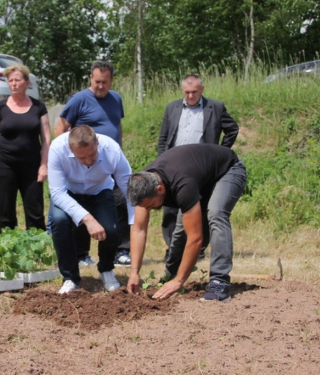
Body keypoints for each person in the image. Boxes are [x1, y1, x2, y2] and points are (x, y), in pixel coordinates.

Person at [126, 144, 246, 302]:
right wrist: (134, 272)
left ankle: (219, 282)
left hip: (227, 170)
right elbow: (139, 230)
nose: (148, 210)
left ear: (160, 189)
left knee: (216, 213)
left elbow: (196, 239)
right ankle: (171, 274)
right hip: (199, 176)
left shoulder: (182, 184)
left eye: (150, 205)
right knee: (181, 230)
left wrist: (180, 281)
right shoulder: (144, 185)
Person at [54, 61, 131, 267]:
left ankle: (121, 250)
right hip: (83, 161)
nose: (100, 86)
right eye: (97, 81)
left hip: (108, 161)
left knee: (120, 202)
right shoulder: (79, 99)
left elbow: (117, 125)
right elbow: (61, 127)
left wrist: (118, 152)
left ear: (111, 81)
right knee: (80, 204)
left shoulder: (116, 98)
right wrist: (67, 157)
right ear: (90, 78)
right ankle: (82, 253)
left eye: (105, 82)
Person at [158, 74, 239, 261]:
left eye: (194, 92)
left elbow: (232, 129)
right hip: (173, 164)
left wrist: (220, 152)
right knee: (170, 208)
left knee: (200, 206)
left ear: (202, 89)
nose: (190, 96)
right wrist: (163, 158)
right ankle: (173, 248)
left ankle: (199, 248)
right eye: (187, 92)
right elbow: (163, 138)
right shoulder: (172, 108)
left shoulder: (215, 107)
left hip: (201, 167)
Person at [49, 125, 135, 294]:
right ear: (70, 148)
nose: (89, 161)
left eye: (92, 155)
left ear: (98, 142)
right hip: (68, 192)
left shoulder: (112, 150)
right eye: (82, 158)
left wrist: (135, 221)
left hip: (100, 190)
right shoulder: (57, 149)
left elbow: (129, 188)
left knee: (111, 230)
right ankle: (70, 278)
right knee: (59, 221)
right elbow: (57, 193)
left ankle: (106, 269)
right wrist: (88, 219)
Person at [0, 64, 50, 231]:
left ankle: (36, 252)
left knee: (35, 211)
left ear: (27, 83)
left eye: (17, 80)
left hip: (31, 166)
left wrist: (44, 165)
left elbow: (47, 140)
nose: (13, 84)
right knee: (6, 211)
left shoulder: (38, 107)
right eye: (10, 80)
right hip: (5, 165)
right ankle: (9, 252)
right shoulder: (0, 107)